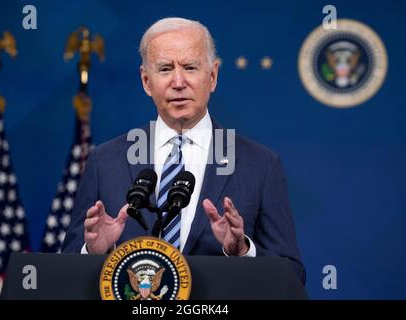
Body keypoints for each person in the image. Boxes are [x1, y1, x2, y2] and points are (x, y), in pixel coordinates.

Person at [62, 17, 305, 284]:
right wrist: (94, 252)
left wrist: (243, 252)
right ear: (146, 81)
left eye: (190, 67)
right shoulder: (104, 161)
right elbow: (66, 274)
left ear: (212, 77)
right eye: (165, 69)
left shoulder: (259, 165)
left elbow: (292, 277)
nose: (178, 82)